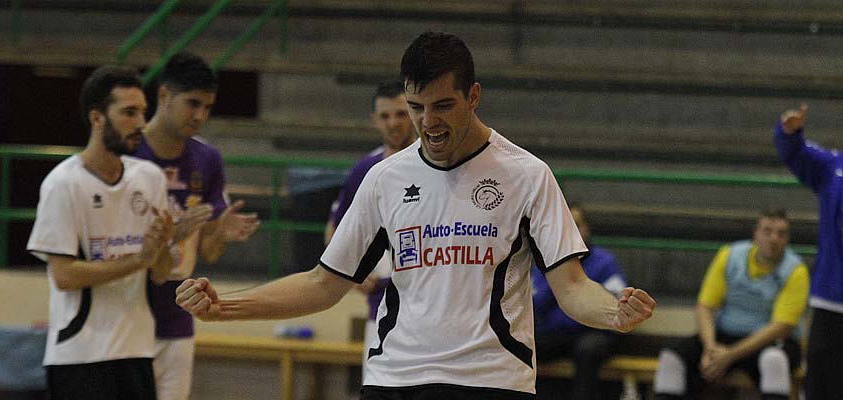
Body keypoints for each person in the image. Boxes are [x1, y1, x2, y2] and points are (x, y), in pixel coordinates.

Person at [176, 31, 656, 399]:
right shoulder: (385, 178)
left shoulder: (527, 176)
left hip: (491, 381)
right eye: (416, 107)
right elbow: (324, 283)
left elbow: (571, 289)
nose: (428, 122)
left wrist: (616, 313)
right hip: (396, 379)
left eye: (443, 105)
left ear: (473, 96)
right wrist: (227, 306)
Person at [26, 65, 176, 400]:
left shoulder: (150, 178)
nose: (140, 123)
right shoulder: (62, 184)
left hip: (137, 350)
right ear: (97, 118)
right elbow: (64, 275)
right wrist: (139, 259)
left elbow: (162, 273)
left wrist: (162, 246)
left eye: (143, 112)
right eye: (128, 113)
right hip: (81, 355)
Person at [134, 51, 261, 400]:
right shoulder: (130, 154)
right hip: (126, 313)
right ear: (163, 95)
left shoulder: (207, 159)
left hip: (177, 316)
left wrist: (218, 234)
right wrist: (171, 235)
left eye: (207, 107)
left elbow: (208, 250)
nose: (200, 115)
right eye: (192, 104)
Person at [653, 208, 809, 400]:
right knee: (672, 358)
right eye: (767, 231)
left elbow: (781, 327)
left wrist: (730, 356)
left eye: (781, 234)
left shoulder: (796, 270)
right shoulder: (730, 255)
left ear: (787, 239)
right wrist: (710, 349)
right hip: (724, 337)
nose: (773, 239)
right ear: (756, 234)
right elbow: (705, 307)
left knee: (774, 360)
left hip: (767, 342)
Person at [322, 81, 416, 377]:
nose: (394, 123)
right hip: (381, 305)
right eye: (385, 116)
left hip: (427, 304)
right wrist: (352, 274)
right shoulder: (366, 169)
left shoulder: (434, 162)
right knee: (378, 384)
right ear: (374, 120)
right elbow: (335, 230)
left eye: (401, 114)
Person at [776, 104, 843, 400]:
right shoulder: (834, 168)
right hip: (831, 301)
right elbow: (796, 153)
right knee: (822, 386)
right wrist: (788, 132)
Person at [532, 204, 627, 400]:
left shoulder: (604, 262)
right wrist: (559, 278)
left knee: (588, 350)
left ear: (587, 228)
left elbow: (617, 303)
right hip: (554, 333)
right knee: (525, 344)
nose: (573, 231)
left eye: (577, 225)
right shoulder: (545, 261)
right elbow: (534, 305)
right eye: (567, 226)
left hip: (592, 333)